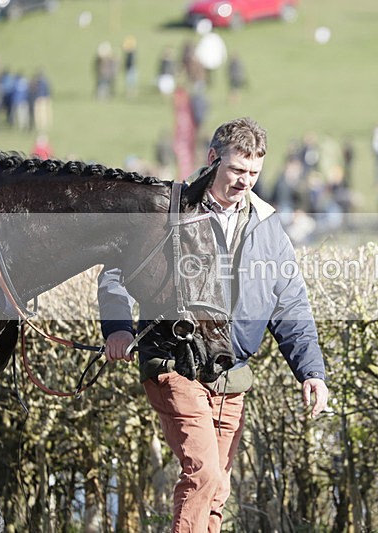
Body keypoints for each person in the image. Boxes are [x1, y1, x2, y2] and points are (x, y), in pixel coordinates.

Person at [98, 117, 329, 532]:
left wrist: (311, 372)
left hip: (231, 375)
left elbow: (290, 303)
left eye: (254, 173)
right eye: (237, 170)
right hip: (174, 363)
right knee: (203, 474)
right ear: (212, 160)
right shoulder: (166, 212)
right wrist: (118, 328)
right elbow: (114, 275)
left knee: (217, 491)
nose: (245, 182)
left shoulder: (268, 226)